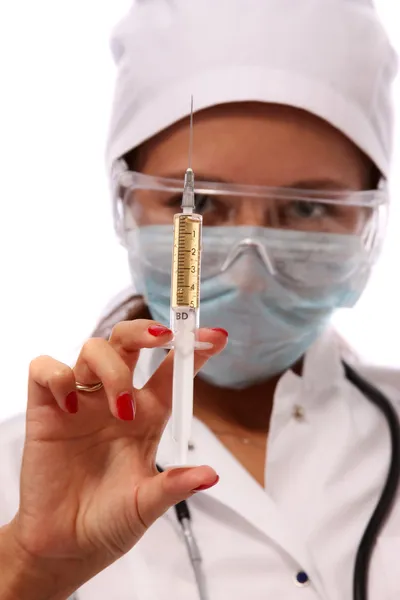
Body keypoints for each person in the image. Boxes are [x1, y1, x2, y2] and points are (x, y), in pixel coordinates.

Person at [0, 0, 399, 598]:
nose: (247, 278)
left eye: (308, 207)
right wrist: (32, 571)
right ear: (125, 204)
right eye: (203, 205)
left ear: (368, 216)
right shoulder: (17, 481)